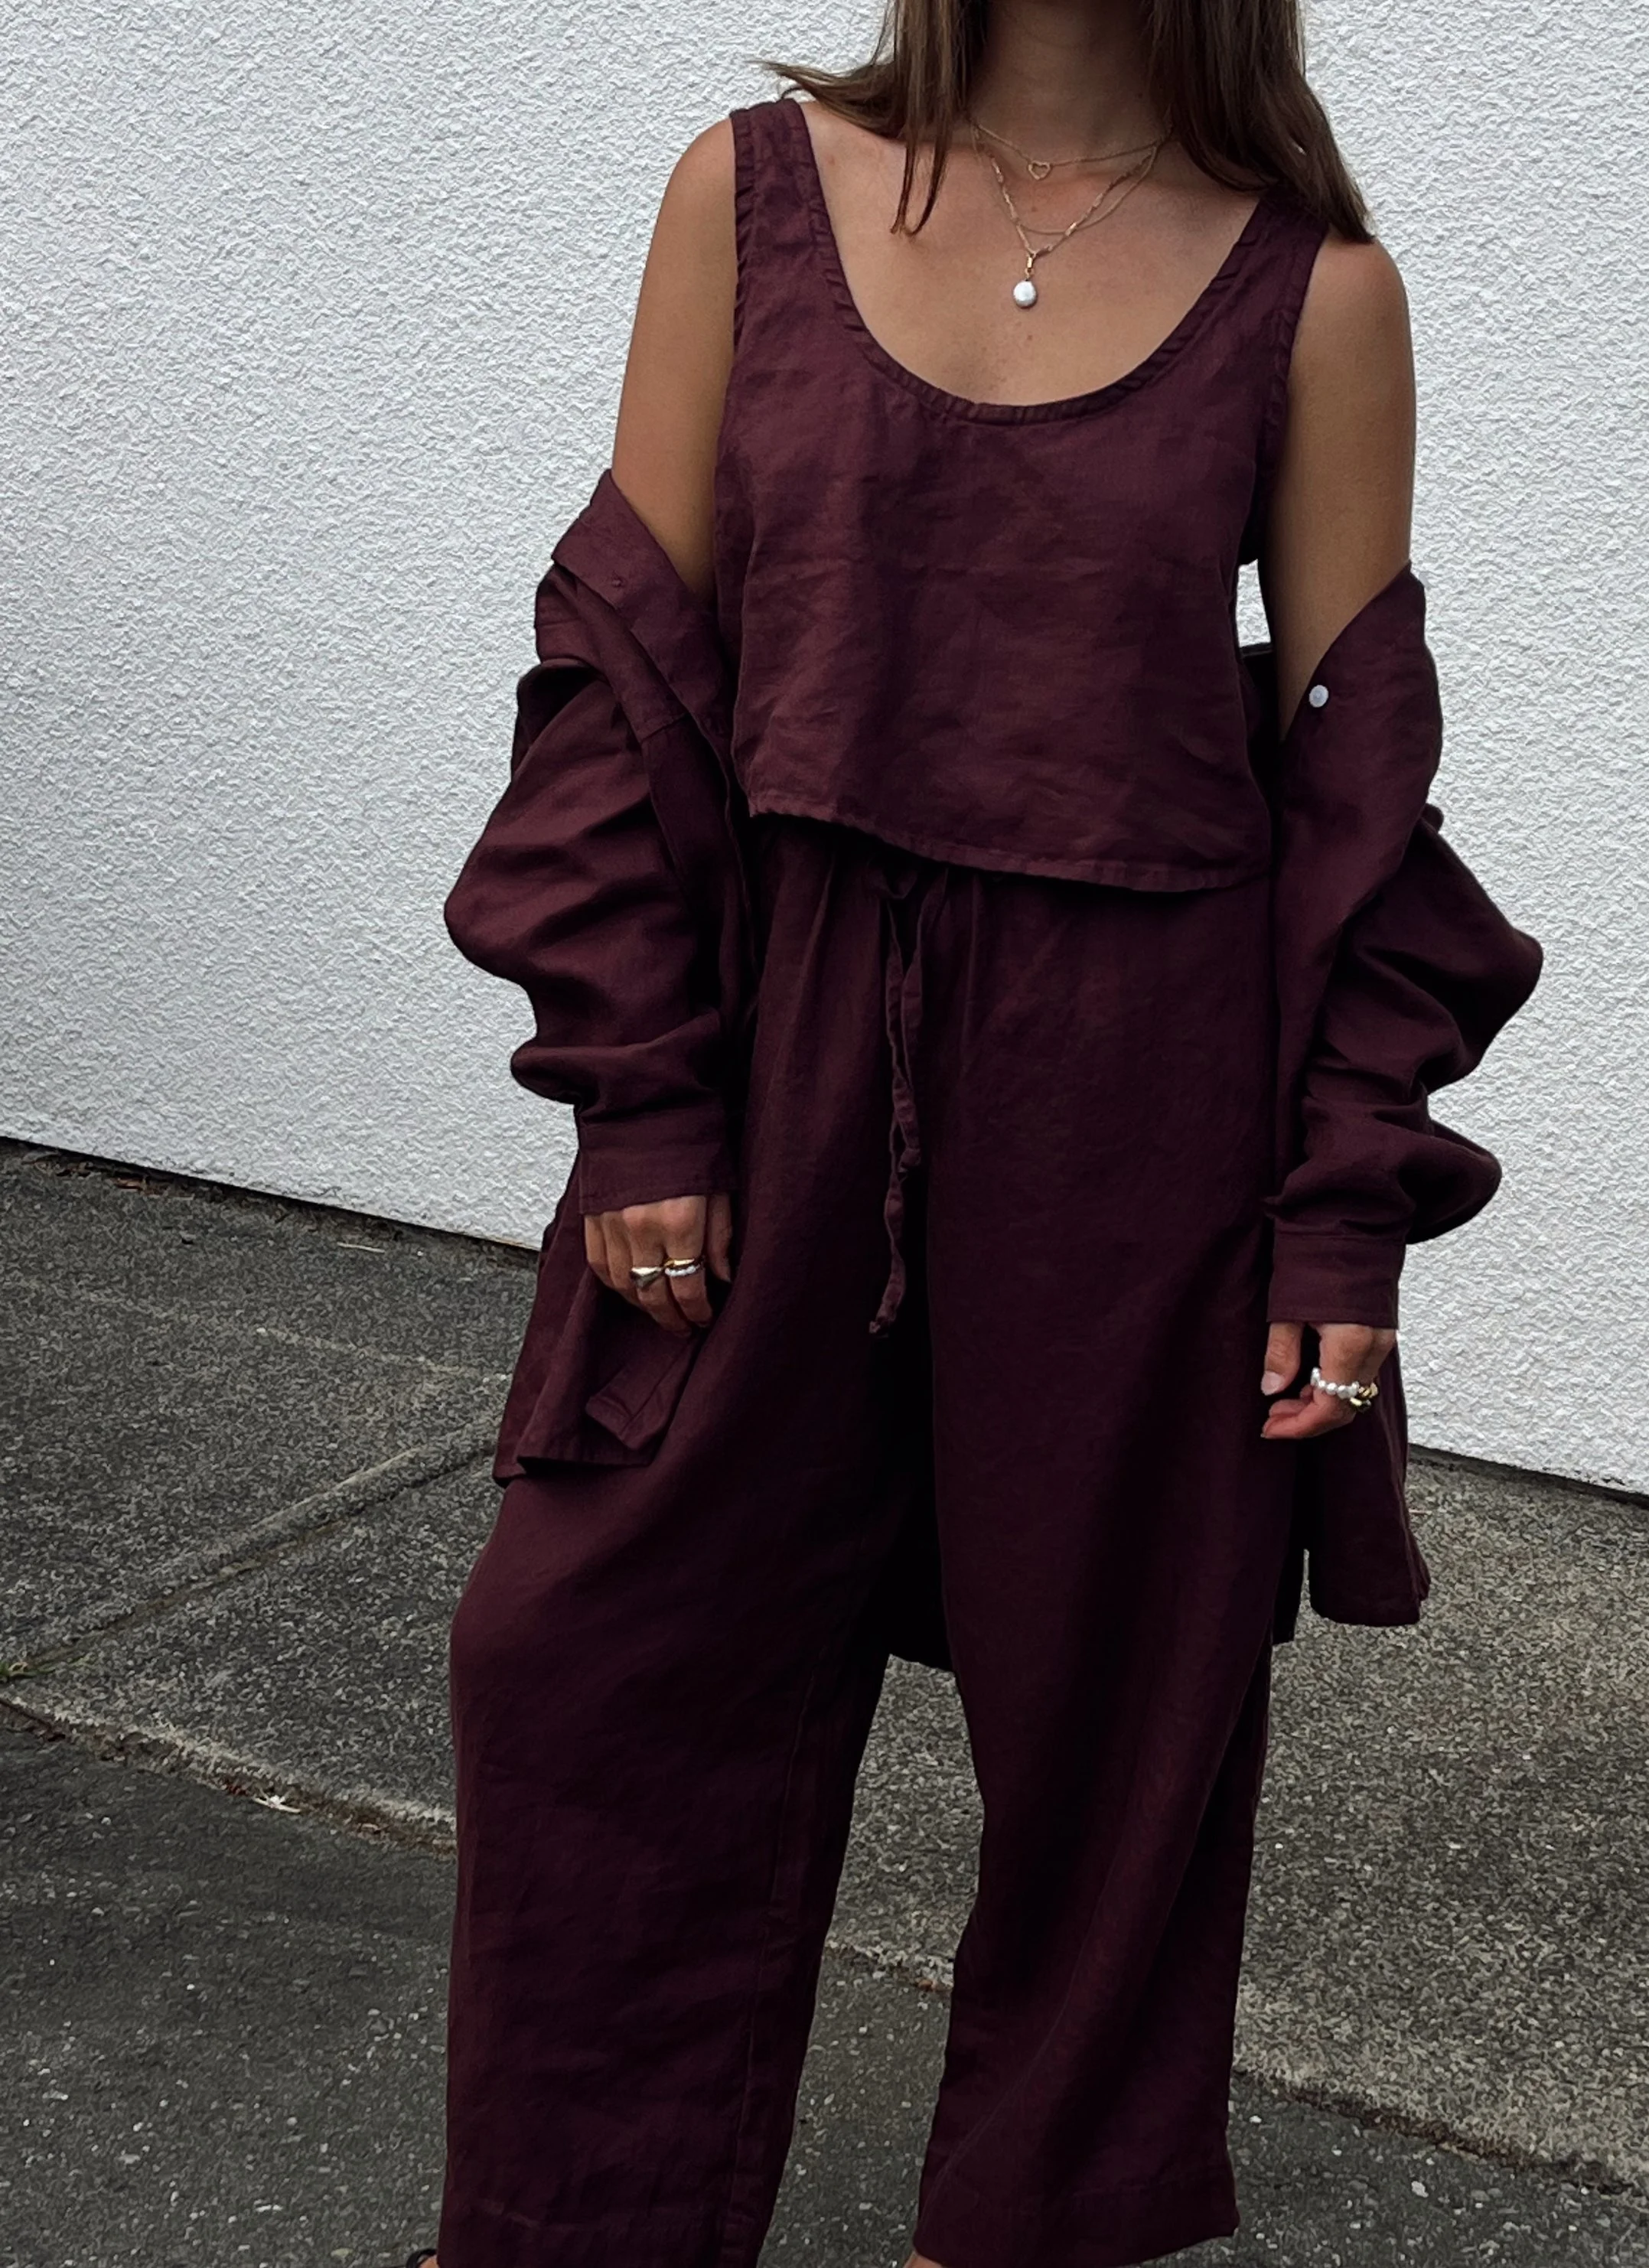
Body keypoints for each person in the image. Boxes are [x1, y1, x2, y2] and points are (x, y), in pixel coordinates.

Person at [396, 0, 1543, 2262]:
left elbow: (1352, 795)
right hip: (785, 1040)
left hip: (1142, 1116)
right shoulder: (749, 199)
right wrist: (644, 1088)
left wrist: (1337, 1222)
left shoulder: (1312, 292)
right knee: (585, 1654)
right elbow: (624, 664)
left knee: (1121, 1740)